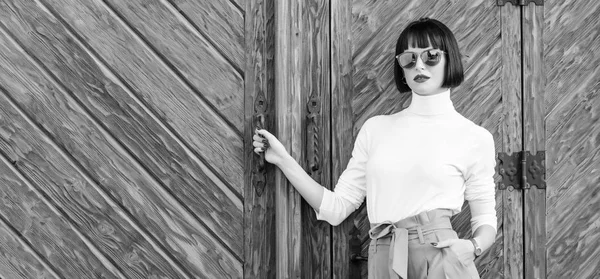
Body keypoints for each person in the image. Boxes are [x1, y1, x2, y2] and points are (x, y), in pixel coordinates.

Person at [252, 18, 496, 279]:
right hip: (383, 256)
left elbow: (485, 219)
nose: (420, 65)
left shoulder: (473, 137)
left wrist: (472, 247)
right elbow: (337, 208)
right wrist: (282, 160)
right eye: (409, 59)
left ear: (450, 60)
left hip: (441, 257)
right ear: (401, 67)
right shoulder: (376, 129)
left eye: (431, 56)